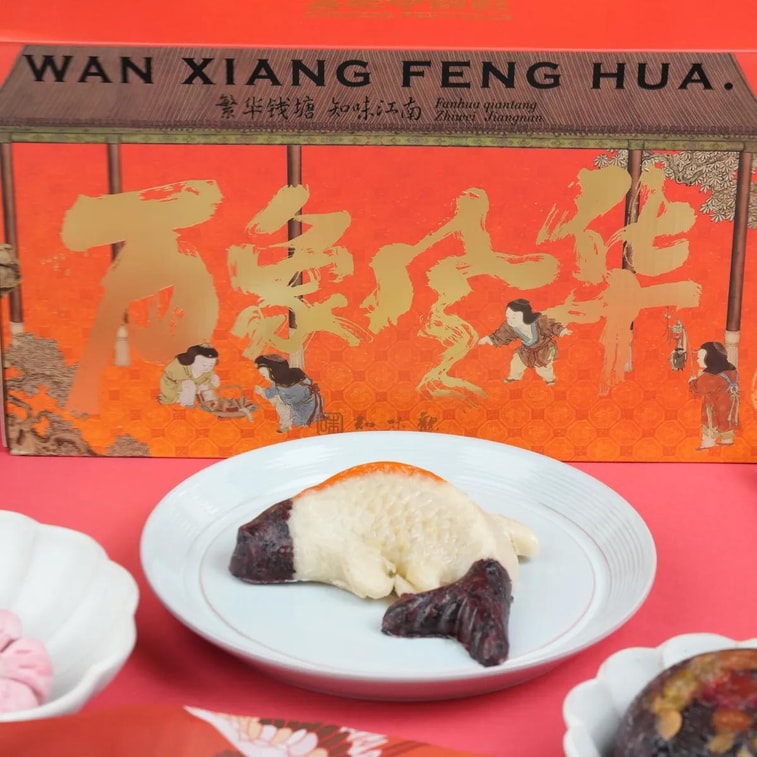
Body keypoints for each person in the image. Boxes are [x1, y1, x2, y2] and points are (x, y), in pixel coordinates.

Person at [478, 298, 571, 385]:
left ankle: (549, 380)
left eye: (514, 317)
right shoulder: (509, 326)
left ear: (525, 315)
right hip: (526, 350)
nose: (510, 320)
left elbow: (551, 326)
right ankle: (514, 377)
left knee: (544, 368)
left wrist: (561, 331)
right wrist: (489, 339)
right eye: (508, 317)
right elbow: (501, 335)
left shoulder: (539, 321)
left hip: (544, 350)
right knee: (516, 362)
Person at [688, 341, 739, 449]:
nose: (697, 360)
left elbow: (698, 390)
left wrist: (692, 381)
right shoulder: (731, 369)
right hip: (729, 403)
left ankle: (708, 443)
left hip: (714, 405)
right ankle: (727, 441)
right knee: (726, 421)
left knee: (710, 422)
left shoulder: (710, 375)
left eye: (700, 357)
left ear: (710, 358)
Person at [254, 354, 324, 433]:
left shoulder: (295, 380)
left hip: (306, 407)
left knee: (281, 405)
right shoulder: (278, 381)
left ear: (274, 371)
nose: (265, 378)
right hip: (299, 404)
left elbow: (298, 397)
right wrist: (262, 391)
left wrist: (282, 400)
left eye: (264, 375)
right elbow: (271, 392)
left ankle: (286, 425)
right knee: (279, 401)